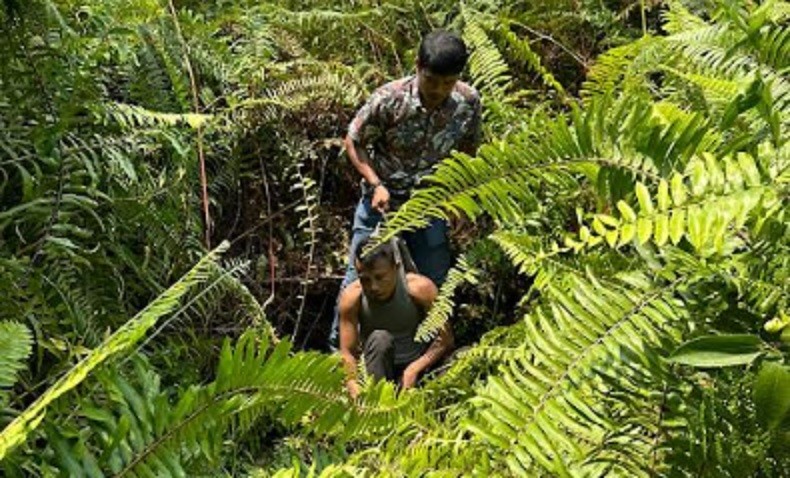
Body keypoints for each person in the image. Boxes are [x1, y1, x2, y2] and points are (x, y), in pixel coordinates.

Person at [330, 30, 482, 348]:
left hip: (431, 206)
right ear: (417, 67)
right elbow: (353, 142)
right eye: (432, 81)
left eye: (448, 82)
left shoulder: (467, 103)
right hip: (381, 204)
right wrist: (375, 184)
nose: (439, 90)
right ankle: (341, 357)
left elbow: (469, 154)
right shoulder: (389, 100)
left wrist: (457, 200)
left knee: (435, 281)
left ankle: (427, 358)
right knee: (360, 280)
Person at [338, 237, 454, 398]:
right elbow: (347, 352)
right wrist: (353, 386)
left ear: (396, 268)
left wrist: (413, 369)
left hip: (419, 367)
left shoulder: (419, 288)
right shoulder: (351, 297)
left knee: (465, 357)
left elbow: (445, 340)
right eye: (365, 279)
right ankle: (376, 403)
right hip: (378, 368)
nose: (373, 287)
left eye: (380, 277)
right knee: (380, 338)